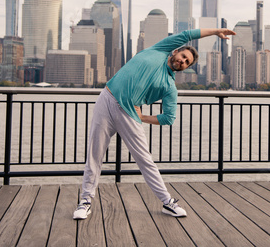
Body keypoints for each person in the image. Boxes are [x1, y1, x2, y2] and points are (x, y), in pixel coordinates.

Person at [73, 27, 236, 219]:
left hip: (129, 114)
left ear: (186, 67)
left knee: (145, 160)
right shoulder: (160, 50)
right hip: (106, 99)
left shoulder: (169, 87)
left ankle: (167, 202)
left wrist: (142, 118)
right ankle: (85, 202)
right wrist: (216, 31)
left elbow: (169, 117)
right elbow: (187, 35)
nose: (182, 61)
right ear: (176, 51)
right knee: (95, 153)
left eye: (186, 62)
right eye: (183, 56)